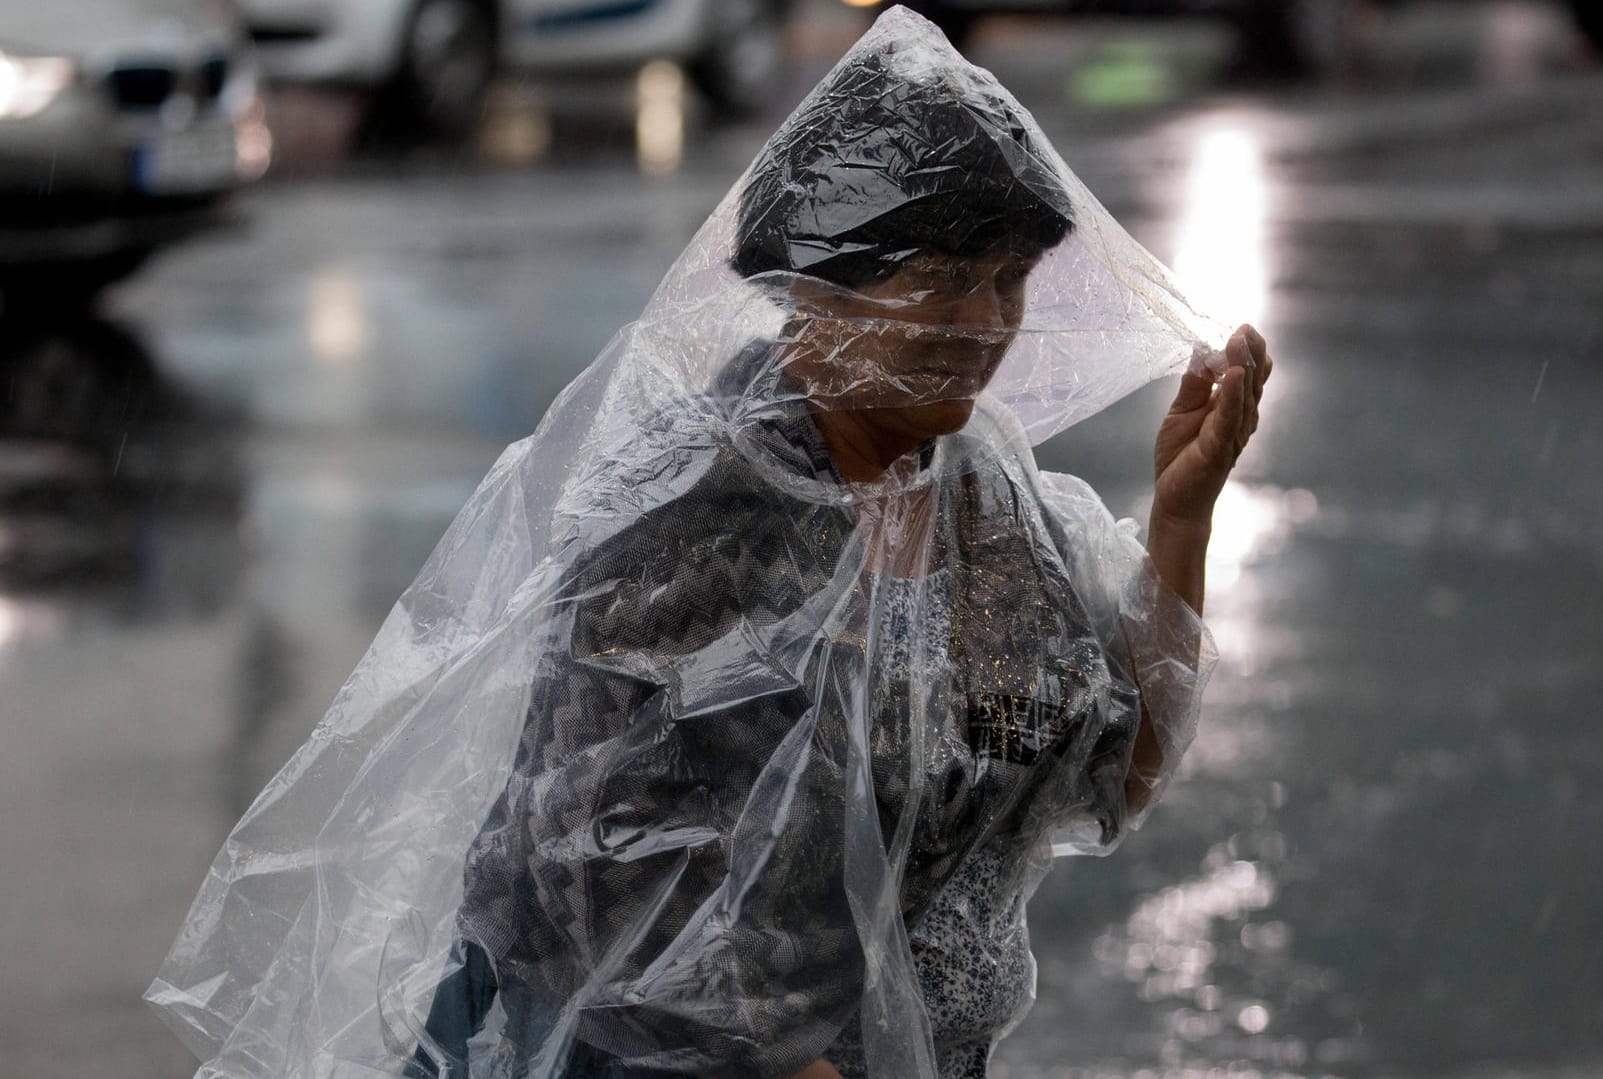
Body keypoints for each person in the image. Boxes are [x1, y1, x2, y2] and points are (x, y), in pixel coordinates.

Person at [147, 11, 1269, 1079]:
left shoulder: (980, 495)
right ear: (818, 284)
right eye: (940, 279)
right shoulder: (685, 530)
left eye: (1009, 281)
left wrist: (1181, 517)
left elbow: (1097, 767)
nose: (984, 327)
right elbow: (645, 949)